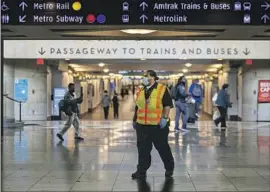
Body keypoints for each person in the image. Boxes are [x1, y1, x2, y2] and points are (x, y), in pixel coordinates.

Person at [132, 70, 174, 179]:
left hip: (157, 126)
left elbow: (167, 105)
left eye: (148, 76)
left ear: (154, 78)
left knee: (162, 148)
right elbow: (138, 107)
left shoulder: (162, 89)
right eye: (145, 76)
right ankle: (141, 170)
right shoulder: (141, 90)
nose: (146, 78)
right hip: (142, 125)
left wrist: (164, 118)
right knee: (142, 149)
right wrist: (134, 120)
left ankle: (169, 168)